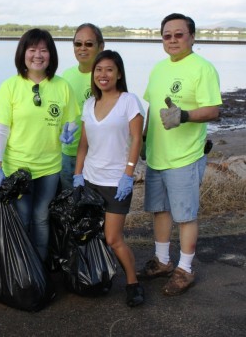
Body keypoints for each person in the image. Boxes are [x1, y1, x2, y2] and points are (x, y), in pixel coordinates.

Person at [138, 13, 222, 296]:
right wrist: (144, 139)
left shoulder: (202, 68)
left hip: (185, 156)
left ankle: (185, 269)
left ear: (192, 36)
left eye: (179, 34)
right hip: (157, 155)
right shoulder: (159, 69)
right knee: (159, 210)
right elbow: (150, 108)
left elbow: (213, 110)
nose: (172, 40)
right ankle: (162, 261)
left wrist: (184, 115)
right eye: (167, 35)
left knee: (185, 215)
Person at [0, 28, 79, 262]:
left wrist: (68, 131)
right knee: (23, 216)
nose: (38, 55)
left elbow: (71, 120)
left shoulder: (62, 86)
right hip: (17, 168)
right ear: (23, 54)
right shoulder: (10, 86)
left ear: (51, 55)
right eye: (32, 50)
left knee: (41, 217)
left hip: (49, 166)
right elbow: (1, 130)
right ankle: (19, 266)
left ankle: (38, 266)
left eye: (44, 50)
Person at [73, 50, 145, 307]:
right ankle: (100, 276)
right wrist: (78, 175)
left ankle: (133, 283)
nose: (103, 75)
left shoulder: (129, 101)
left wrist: (128, 173)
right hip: (91, 180)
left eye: (109, 70)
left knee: (114, 238)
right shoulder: (89, 104)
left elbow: (137, 138)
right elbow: (84, 144)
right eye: (99, 70)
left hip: (116, 183)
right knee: (94, 234)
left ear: (119, 74)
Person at [60, 23, 105, 190]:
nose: (82, 48)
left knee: (93, 207)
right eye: (78, 44)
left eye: (89, 44)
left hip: (96, 155)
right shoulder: (66, 76)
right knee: (68, 207)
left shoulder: (105, 76)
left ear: (101, 46)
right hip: (68, 152)